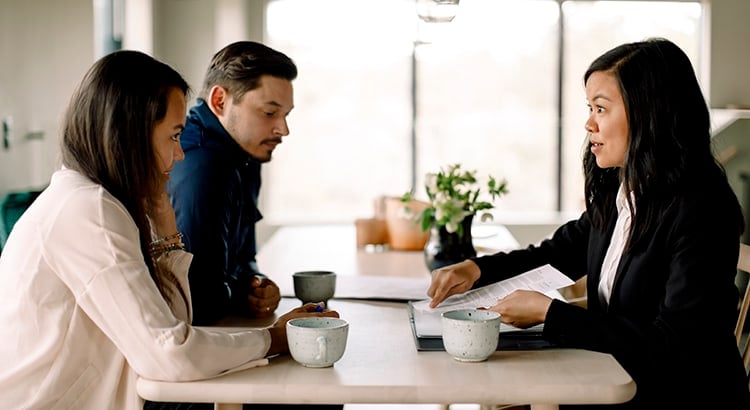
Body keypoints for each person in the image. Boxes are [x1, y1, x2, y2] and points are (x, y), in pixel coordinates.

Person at [0, 50, 338, 409]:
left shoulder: (102, 201)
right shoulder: (89, 209)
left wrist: (164, 226)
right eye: (174, 136)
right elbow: (170, 354)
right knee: (309, 397)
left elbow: (175, 326)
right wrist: (274, 339)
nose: (180, 155)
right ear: (130, 134)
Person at [427, 38, 750, 408]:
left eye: (600, 108)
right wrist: (476, 269)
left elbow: (674, 345)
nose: (588, 123)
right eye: (589, 107)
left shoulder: (703, 209)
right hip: (613, 381)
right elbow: (560, 252)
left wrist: (552, 314)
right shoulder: (626, 189)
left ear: (650, 113)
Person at [166, 41, 296, 326]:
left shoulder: (245, 153)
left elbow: (243, 257)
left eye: (286, 114)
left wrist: (256, 284)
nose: (283, 129)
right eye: (269, 112)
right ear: (220, 101)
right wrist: (240, 292)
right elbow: (200, 302)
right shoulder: (201, 164)